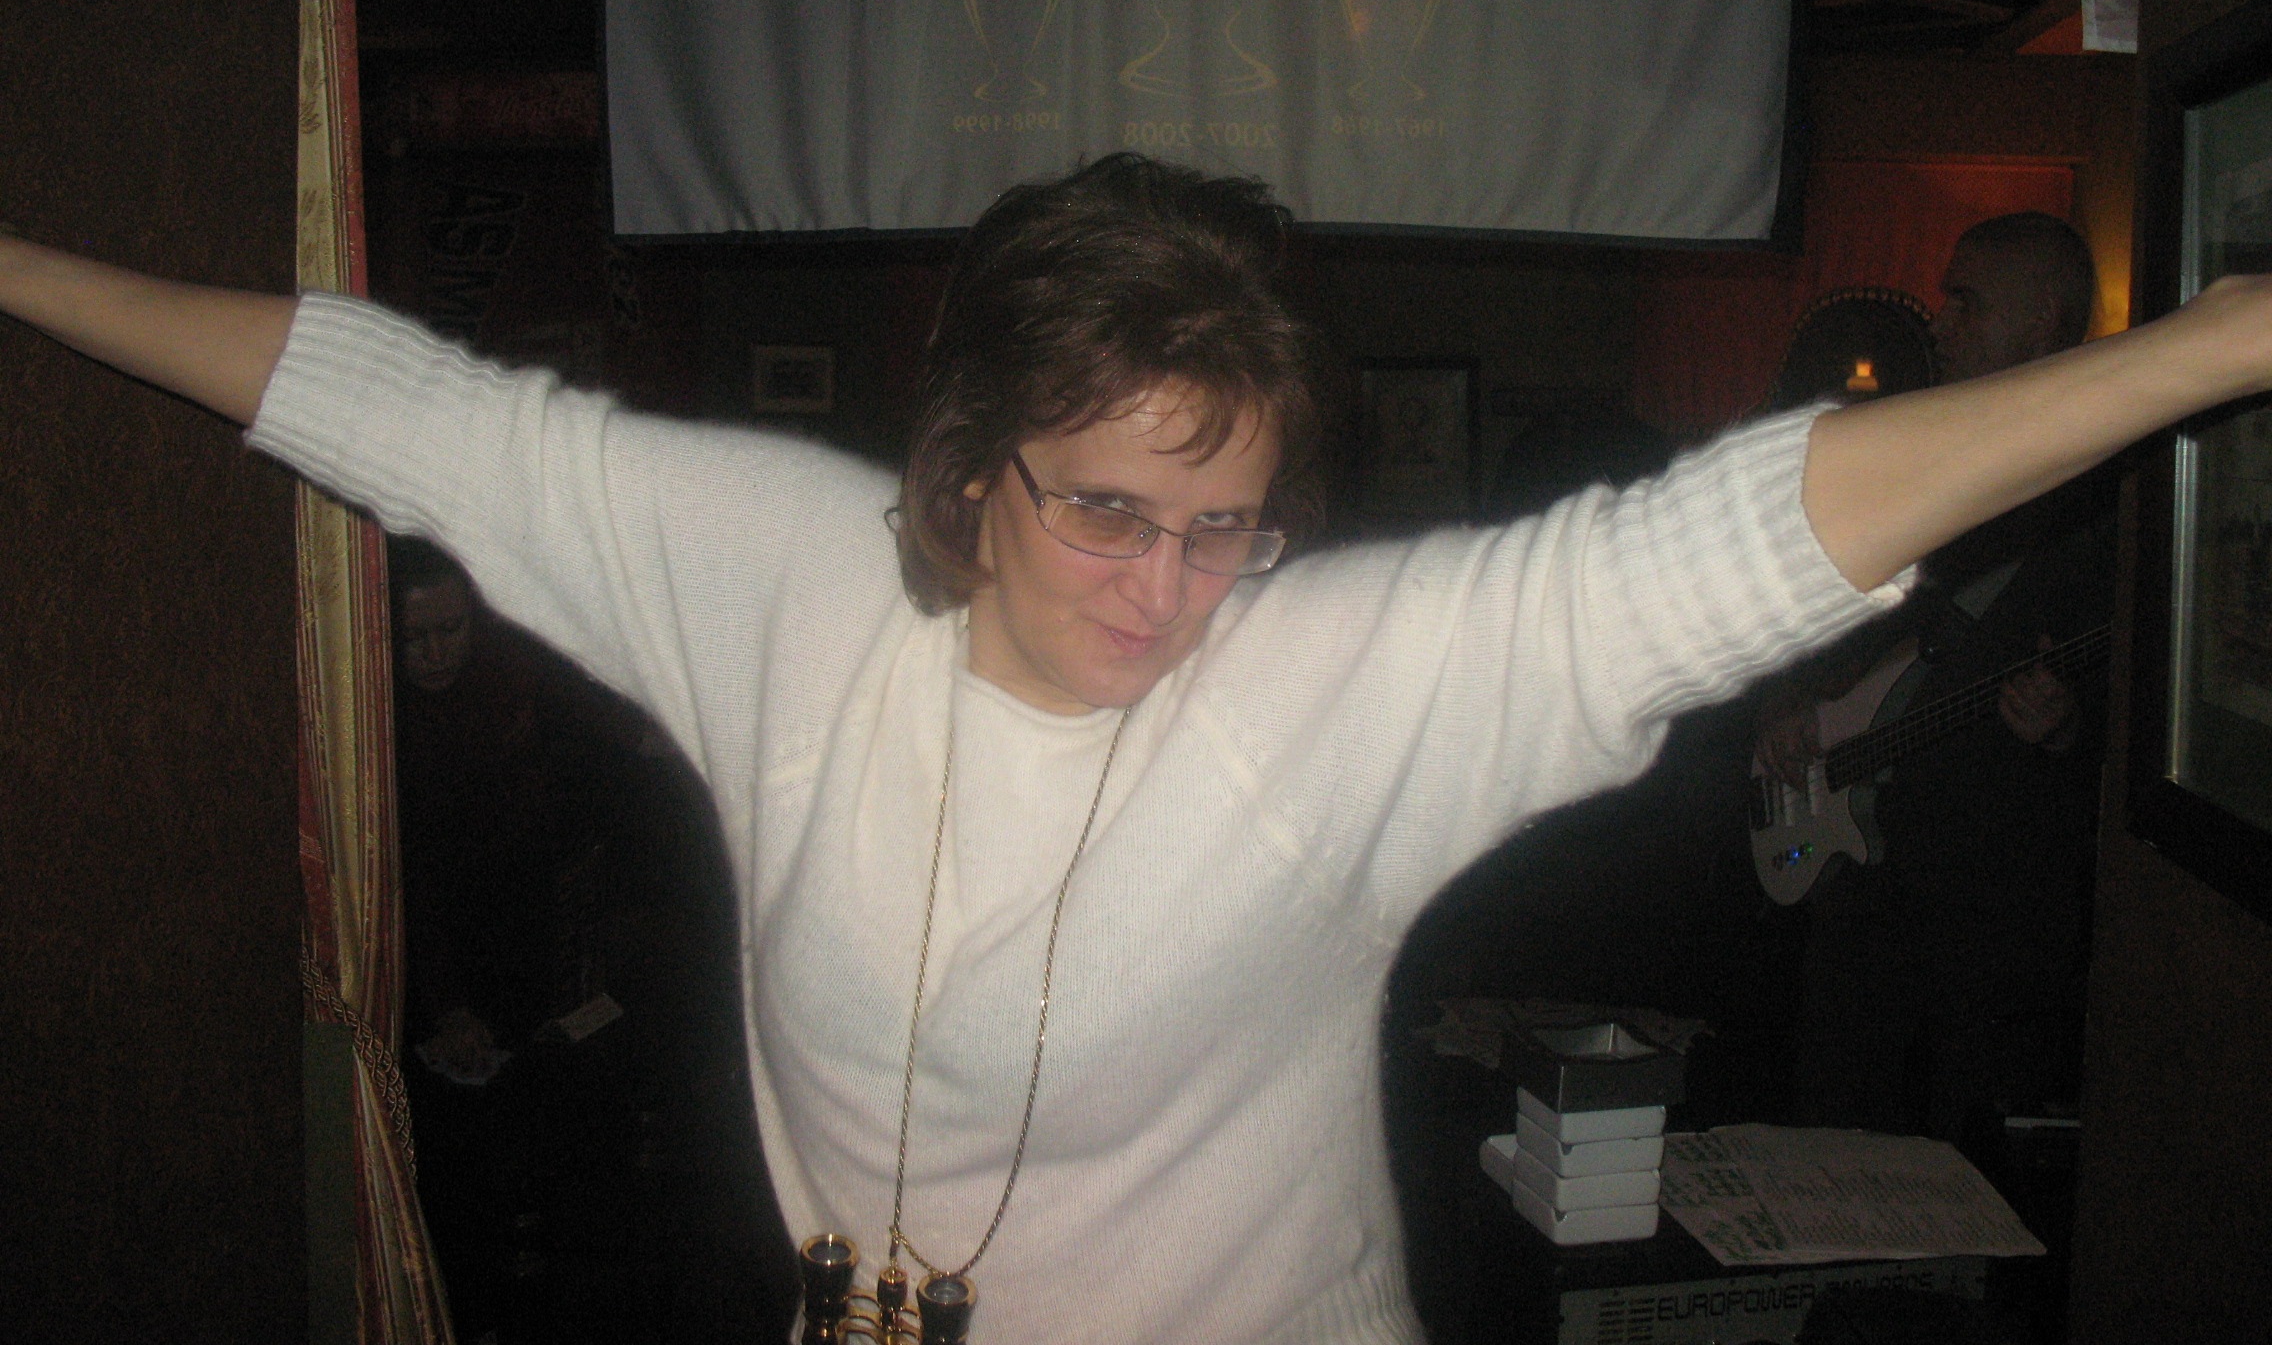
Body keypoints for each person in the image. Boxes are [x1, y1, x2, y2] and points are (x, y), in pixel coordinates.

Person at [3, 154, 2267, 1345]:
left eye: (1224, 526)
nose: (1168, 591)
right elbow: (403, 412)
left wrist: (2198, 348)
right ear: (966, 466)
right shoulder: (779, 574)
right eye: (1105, 510)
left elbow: (1706, 550)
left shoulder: (1311, 681)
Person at [1764, 213, 2115, 1140]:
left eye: (1968, 302)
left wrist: (2067, 729)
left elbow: (2148, 719)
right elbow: (1826, 611)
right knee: (1828, 1137)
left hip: (1992, 914)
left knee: (1967, 1162)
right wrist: (1788, 696)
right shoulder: (1919, 443)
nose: (1940, 321)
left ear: (2042, 321)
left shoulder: (2112, 485)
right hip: (1861, 879)